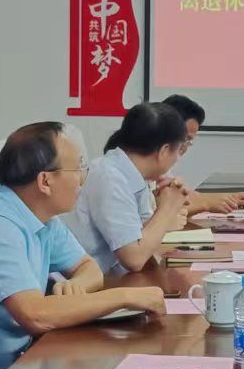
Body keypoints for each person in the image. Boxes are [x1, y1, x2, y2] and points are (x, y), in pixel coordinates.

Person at [0, 122, 163, 369]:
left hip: (24, 360)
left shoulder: (41, 216)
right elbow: (34, 315)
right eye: (77, 169)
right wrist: (124, 297)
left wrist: (77, 286)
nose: (82, 180)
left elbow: (88, 267)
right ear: (45, 181)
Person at [73, 101, 192, 273]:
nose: (178, 159)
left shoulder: (133, 175)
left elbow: (143, 239)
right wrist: (168, 208)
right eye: (179, 150)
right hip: (82, 282)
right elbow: (134, 258)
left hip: (107, 276)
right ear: (164, 151)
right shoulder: (110, 177)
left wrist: (166, 209)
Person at [160, 93, 244, 216]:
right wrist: (206, 204)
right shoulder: (147, 171)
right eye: (184, 139)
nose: (184, 148)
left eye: (189, 141)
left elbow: (183, 196)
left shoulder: (162, 169)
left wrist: (227, 199)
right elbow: (158, 212)